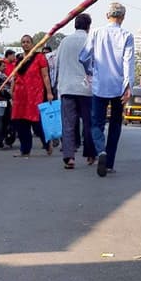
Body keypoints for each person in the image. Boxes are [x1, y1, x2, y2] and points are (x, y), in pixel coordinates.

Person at [79, 2, 135, 178]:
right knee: (116, 124)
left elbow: (83, 57)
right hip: (118, 86)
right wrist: (128, 86)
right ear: (123, 17)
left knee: (96, 123)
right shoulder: (127, 35)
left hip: (99, 85)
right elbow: (128, 62)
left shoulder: (96, 32)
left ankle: (100, 150)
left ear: (107, 16)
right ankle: (109, 163)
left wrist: (90, 70)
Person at [56, 13, 95, 169]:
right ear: (88, 26)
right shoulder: (91, 40)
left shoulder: (64, 42)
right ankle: (90, 154)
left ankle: (69, 157)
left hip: (67, 88)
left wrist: (57, 86)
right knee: (89, 123)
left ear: (75, 25)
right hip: (87, 89)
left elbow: (57, 64)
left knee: (68, 124)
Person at [10, 34, 55, 157]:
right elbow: (15, 77)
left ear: (32, 44)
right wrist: (12, 91)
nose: (25, 44)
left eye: (27, 42)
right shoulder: (19, 59)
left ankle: (47, 143)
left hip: (34, 94)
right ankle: (25, 150)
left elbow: (45, 76)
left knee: (36, 121)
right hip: (20, 95)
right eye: (23, 42)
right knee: (21, 122)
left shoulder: (39, 57)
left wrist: (49, 92)